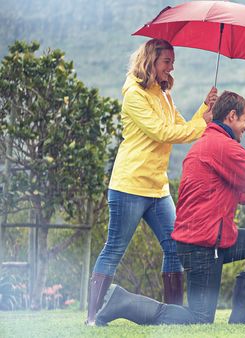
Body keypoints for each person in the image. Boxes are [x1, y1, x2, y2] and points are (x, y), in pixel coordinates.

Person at [93, 91, 245, 326]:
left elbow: (244, 193)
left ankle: (242, 314)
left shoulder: (211, 144)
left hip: (215, 239)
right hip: (201, 246)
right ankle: (122, 301)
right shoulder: (222, 147)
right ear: (231, 116)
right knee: (199, 319)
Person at [86, 38, 219, 325]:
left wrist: (204, 109)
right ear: (150, 62)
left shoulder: (163, 93)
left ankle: (175, 317)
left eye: (172, 61)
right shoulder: (134, 94)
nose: (172, 66)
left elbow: (181, 127)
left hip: (158, 188)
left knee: (175, 247)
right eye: (166, 61)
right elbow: (162, 132)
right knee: (114, 248)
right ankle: (92, 316)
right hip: (130, 186)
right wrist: (204, 122)